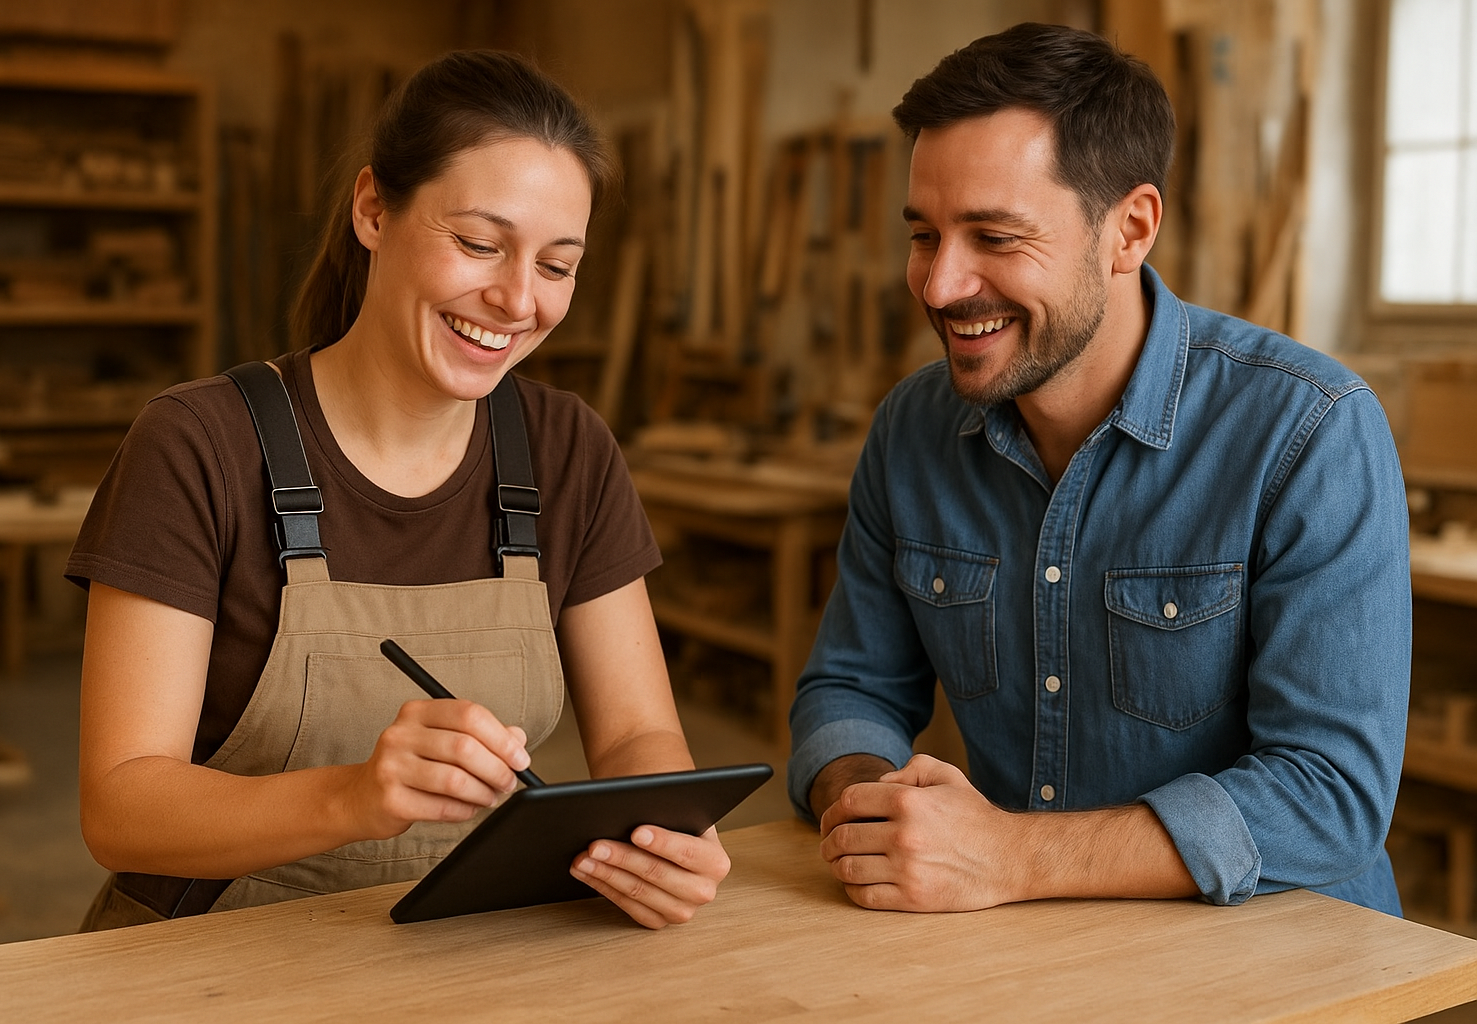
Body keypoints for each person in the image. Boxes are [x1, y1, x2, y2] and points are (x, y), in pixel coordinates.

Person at [68, 49, 728, 931]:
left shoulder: (569, 449)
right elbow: (120, 807)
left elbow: (636, 735)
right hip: (202, 961)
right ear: (373, 210)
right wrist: (354, 797)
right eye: (479, 245)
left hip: (453, 951)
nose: (516, 300)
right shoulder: (197, 446)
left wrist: (664, 832)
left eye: (556, 265)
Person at [787, 22, 1410, 915]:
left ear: (1130, 230)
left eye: (995, 237)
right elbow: (851, 688)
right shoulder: (910, 432)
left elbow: (1330, 797)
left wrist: (1011, 857)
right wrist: (871, 804)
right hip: (1030, 943)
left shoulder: (1310, 431)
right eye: (925, 235)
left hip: (1285, 956)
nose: (939, 284)